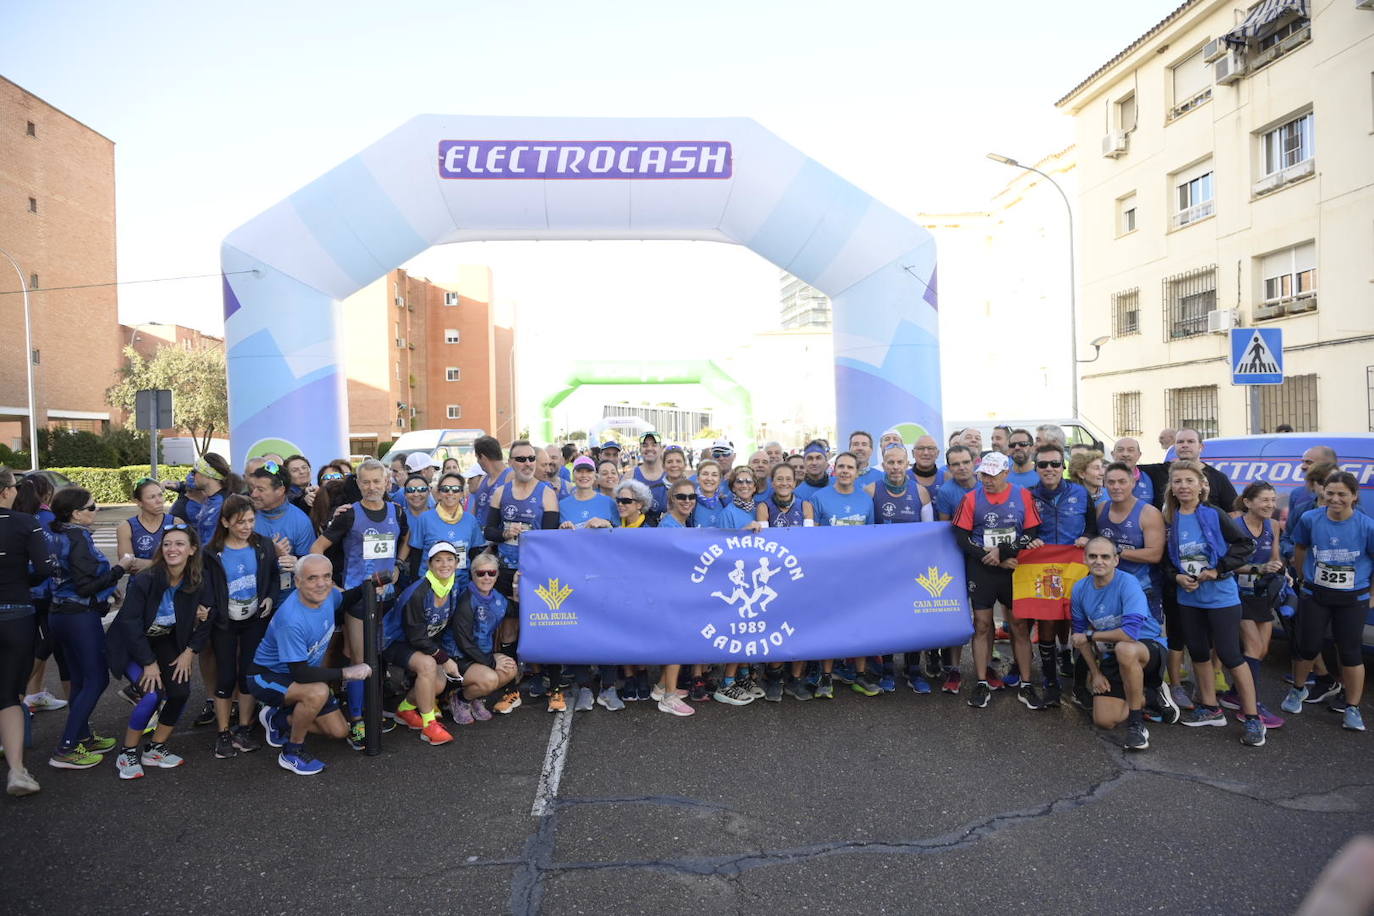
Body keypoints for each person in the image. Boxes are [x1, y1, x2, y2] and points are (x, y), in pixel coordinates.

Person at [1163, 460, 1266, 746]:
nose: (1183, 486)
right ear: (1172, 487)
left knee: (1231, 655)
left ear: (1200, 486)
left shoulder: (1213, 513)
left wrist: (1217, 570)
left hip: (1221, 598)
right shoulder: (1169, 517)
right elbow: (1166, 560)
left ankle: (1253, 717)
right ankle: (1210, 708)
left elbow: (1245, 544)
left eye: (1189, 481)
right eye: (1178, 481)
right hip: (1188, 597)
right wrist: (1176, 577)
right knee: (1198, 652)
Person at [310, 458, 407, 747]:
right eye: (366, 482)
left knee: (377, 657)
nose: (372, 487)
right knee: (359, 658)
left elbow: (407, 536)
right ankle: (356, 720)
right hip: (358, 599)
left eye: (377, 481)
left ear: (386, 482)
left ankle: (373, 710)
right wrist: (330, 584)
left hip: (387, 597)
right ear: (358, 484)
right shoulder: (350, 514)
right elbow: (317, 548)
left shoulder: (396, 511)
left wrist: (399, 564)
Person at [248, 555, 373, 775]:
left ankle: (277, 720)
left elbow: (345, 599)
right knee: (318, 692)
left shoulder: (327, 595)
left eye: (326, 576)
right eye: (312, 578)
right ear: (298, 582)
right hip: (267, 676)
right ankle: (292, 752)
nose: (321, 583)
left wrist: (372, 583)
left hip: (298, 674)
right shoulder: (291, 619)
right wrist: (347, 672)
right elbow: (301, 674)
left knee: (339, 731)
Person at [106, 523, 212, 779]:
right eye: (167, 544)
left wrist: (189, 652)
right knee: (151, 694)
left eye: (179, 544)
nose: (172, 549)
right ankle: (127, 753)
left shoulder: (196, 580)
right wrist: (148, 663)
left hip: (163, 640)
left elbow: (210, 617)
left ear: (192, 550)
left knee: (180, 691)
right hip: (131, 645)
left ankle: (155, 749)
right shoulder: (147, 579)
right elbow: (130, 623)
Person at [46, 487, 135, 769]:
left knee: (79, 679)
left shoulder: (56, 533)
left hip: (59, 614)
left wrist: (109, 585)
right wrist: (120, 569)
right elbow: (85, 586)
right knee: (96, 679)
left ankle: (81, 736)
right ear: (76, 513)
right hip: (79, 617)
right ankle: (66, 747)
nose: (96, 511)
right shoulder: (77, 537)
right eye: (92, 507)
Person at [1281, 471, 1374, 732]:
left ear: (1354, 496)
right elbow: (1300, 548)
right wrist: (1303, 579)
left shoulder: (1367, 526)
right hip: (1316, 594)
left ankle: (1353, 707)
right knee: (1307, 646)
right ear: (1323, 492)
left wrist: (1372, 594)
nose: (1335, 499)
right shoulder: (1310, 519)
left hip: (1352, 597)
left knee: (1350, 651)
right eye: (1330, 493)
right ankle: (1298, 689)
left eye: (1342, 494)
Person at [952, 451, 1044, 711]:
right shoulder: (971, 498)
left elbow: (1031, 533)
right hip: (982, 568)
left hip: (1014, 568)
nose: (987, 480)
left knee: (1019, 625)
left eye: (993, 475)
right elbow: (961, 537)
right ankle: (982, 681)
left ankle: (1026, 683)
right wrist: (990, 557)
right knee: (982, 624)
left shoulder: (1022, 495)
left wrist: (1003, 553)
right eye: (983, 475)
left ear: (1006, 473)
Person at [1070, 536, 1179, 751]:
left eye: (1105, 556)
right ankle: (1150, 696)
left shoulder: (1128, 583)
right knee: (1104, 720)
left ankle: (1136, 726)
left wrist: (1091, 636)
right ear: (1084, 559)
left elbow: (1129, 634)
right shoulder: (1079, 589)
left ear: (1115, 560)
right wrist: (1096, 673)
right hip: (1112, 654)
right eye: (1093, 556)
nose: (1098, 561)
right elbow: (1078, 636)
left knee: (1124, 648)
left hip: (1146, 647)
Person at [485, 440, 561, 711]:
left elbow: (550, 540)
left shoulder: (546, 493)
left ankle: (555, 689)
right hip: (506, 572)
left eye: (531, 458)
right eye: (521, 459)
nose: (527, 463)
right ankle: (511, 691)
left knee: (544, 628)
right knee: (509, 630)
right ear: (510, 463)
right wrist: (505, 533)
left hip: (535, 573)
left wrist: (528, 568)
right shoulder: (501, 492)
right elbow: (488, 531)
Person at [204, 494, 279, 759]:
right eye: (240, 522)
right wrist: (207, 608)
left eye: (250, 520)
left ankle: (245, 728)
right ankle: (223, 732)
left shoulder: (263, 545)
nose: (247, 527)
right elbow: (204, 585)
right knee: (225, 675)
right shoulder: (211, 551)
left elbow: (273, 576)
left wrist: (270, 597)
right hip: (224, 622)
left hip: (254, 620)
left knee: (248, 674)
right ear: (225, 522)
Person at [0, 467, 59, 796]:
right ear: (6, 492)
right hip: (16, 612)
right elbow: (46, 567)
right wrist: (23, 581)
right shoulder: (25, 523)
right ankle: (17, 770)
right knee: (10, 695)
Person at [379, 542, 474, 746]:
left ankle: (405, 710)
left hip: (422, 643)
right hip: (395, 641)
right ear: (429, 565)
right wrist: (444, 659)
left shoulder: (452, 586)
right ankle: (429, 726)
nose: (444, 564)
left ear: (457, 563)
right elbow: (416, 637)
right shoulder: (419, 593)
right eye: (438, 560)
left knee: (437, 684)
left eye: (449, 559)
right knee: (428, 665)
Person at [1027, 442, 1096, 706]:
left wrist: (1086, 536)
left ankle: (1078, 685)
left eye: (1055, 463)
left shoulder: (1080, 492)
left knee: (1078, 621)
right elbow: (1023, 529)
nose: (1049, 468)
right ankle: (1050, 684)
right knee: (1046, 621)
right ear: (1036, 467)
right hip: (1043, 567)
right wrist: (1030, 539)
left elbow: (1093, 526)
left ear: (1063, 466)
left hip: (1075, 566)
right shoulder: (1028, 495)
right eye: (1043, 464)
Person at [1098, 462, 1169, 710]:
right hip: (1110, 591)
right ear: (1104, 484)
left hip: (1143, 591)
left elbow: (1154, 554)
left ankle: (1154, 688)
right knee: (1113, 644)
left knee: (1140, 643)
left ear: (1133, 483)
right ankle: (1121, 691)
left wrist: (1115, 552)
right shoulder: (1100, 509)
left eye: (1122, 482)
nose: (1116, 487)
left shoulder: (1148, 513)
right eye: (1111, 482)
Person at [1226, 482, 1286, 729]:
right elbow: (1226, 563)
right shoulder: (1234, 524)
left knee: (1262, 651)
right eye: (1264, 500)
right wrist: (1258, 568)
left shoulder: (1273, 525)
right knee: (1253, 648)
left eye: (1273, 500)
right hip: (1237, 594)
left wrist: (1281, 571)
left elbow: (1275, 558)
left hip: (1262, 594)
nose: (1270, 505)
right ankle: (1250, 705)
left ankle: (1234, 693)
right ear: (1248, 502)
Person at [443, 552, 520, 722]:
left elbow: (516, 610)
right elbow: (464, 642)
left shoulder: (496, 597)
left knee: (510, 668)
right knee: (490, 679)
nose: (486, 577)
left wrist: (516, 585)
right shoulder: (466, 600)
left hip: (480, 655)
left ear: (497, 575)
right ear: (473, 574)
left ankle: (473, 696)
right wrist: (491, 662)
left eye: (491, 573)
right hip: (459, 657)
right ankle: (459, 699)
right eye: (481, 573)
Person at [15, 474, 67, 714]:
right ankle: (17, 693)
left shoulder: (15, 516)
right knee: (48, 644)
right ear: (47, 494)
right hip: (47, 590)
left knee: (31, 643)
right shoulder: (50, 519)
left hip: (21, 591)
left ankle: (32, 694)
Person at [1141, 428, 1237, 512]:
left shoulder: (1218, 478)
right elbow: (1131, 469)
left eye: (1190, 441)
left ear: (1201, 447)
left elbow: (1235, 512)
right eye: (1180, 442)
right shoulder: (1156, 472)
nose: (1185, 445)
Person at [116, 479, 169, 574]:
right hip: (140, 582)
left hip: (170, 582)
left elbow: (185, 561)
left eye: (160, 495)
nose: (159, 501)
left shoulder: (176, 523)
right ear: (139, 502)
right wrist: (167, 564)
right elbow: (127, 565)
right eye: (152, 497)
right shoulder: (126, 527)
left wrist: (148, 563)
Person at [811, 452, 875, 528]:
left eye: (850, 467)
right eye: (841, 466)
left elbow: (870, 531)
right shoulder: (818, 498)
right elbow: (811, 532)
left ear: (857, 473)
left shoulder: (866, 499)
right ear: (834, 470)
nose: (845, 471)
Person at [559, 457, 617, 529]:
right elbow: (554, 533)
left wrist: (607, 524)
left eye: (589, 471)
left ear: (595, 476)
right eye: (579, 471)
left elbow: (620, 531)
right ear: (573, 476)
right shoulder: (562, 505)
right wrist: (562, 529)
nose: (584, 475)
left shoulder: (609, 502)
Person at [631, 432, 669, 513]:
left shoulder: (671, 474)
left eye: (654, 445)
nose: (649, 448)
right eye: (645, 445)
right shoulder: (630, 476)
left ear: (661, 448)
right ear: (640, 449)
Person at [1110, 437, 1154, 505]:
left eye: (1130, 450)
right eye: (1120, 450)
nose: (1125, 454)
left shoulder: (1149, 478)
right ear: (1113, 454)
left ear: (1139, 455)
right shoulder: (1102, 479)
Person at [693, 458, 728, 526]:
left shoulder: (724, 503)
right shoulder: (689, 502)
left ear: (720, 480)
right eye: (705, 474)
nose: (709, 478)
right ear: (698, 478)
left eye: (714, 475)